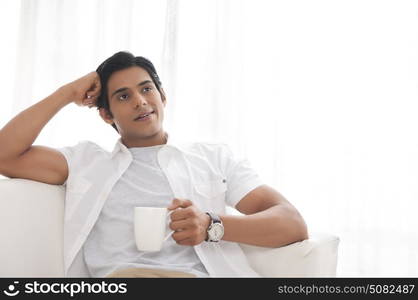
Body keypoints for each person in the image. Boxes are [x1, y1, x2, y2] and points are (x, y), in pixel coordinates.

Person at [0, 51, 308, 278]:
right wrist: (67, 93)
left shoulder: (212, 157)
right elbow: (5, 154)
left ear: (162, 96)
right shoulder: (86, 162)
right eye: (123, 96)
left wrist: (212, 225)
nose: (140, 101)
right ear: (107, 115)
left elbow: (292, 224)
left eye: (147, 89)